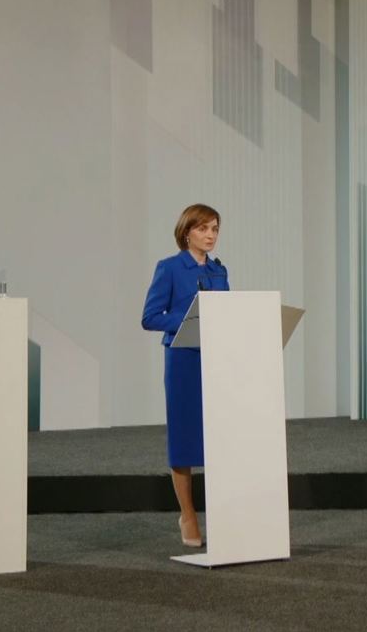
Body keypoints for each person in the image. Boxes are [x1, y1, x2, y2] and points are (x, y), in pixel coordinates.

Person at [141, 204, 229, 548]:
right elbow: (150, 317)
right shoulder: (170, 268)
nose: (210, 235)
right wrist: (189, 318)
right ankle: (188, 514)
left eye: (215, 229)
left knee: (218, 438)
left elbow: (225, 312)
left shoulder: (219, 271)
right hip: (183, 362)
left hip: (217, 361)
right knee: (185, 440)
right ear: (187, 231)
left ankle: (222, 513)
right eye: (204, 229)